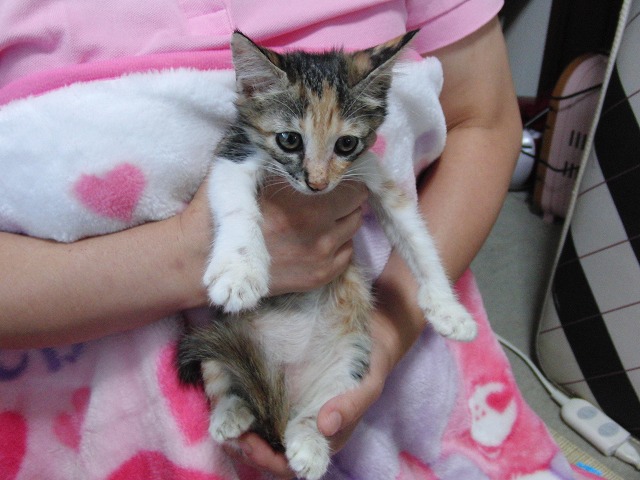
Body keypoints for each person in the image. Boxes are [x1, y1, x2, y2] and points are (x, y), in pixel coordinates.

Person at [0, 1, 521, 478]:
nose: (318, 180)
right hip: (98, 407)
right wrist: (187, 257)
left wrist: (387, 334)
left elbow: (484, 119)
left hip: (378, 344)